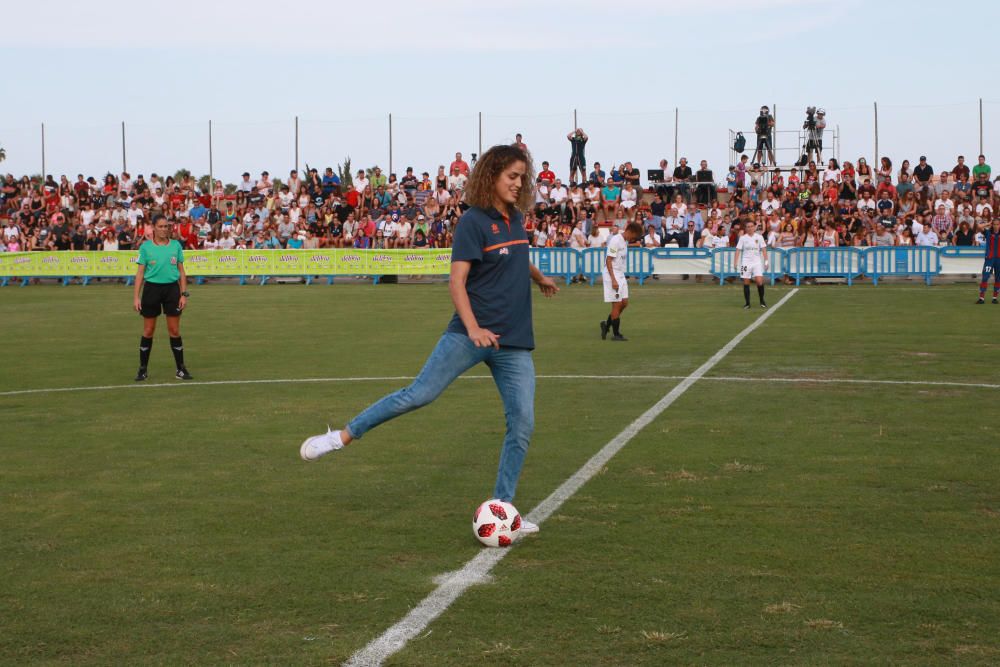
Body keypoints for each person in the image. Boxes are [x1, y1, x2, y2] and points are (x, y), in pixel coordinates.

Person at [299, 145, 559, 531]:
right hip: (470, 333)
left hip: (513, 342)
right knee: (419, 395)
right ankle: (341, 436)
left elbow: (517, 256)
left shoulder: (515, 219)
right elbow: (457, 282)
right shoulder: (472, 221)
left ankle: (502, 510)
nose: (519, 183)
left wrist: (539, 279)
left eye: (522, 177)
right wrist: (472, 329)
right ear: (492, 176)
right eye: (512, 176)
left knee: (522, 423)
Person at [132, 214, 192, 381]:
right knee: (148, 330)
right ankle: (142, 369)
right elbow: (140, 274)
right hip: (151, 290)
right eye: (161, 226)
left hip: (172, 290)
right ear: (153, 227)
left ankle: (181, 369)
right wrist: (136, 297)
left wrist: (183, 294)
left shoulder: (176, 246)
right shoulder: (145, 248)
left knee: (174, 330)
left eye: (166, 226)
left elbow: (181, 272)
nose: (164, 229)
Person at [599, 221, 643, 342]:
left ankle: (606, 325)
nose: (634, 239)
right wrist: (613, 279)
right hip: (611, 274)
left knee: (624, 303)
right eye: (634, 236)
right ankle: (616, 334)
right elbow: (608, 260)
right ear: (630, 231)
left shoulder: (625, 241)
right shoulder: (615, 240)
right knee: (617, 304)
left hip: (620, 274)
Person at [734, 219, 769, 309]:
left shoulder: (759, 237)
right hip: (746, 262)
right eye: (748, 227)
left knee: (759, 281)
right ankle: (747, 303)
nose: (749, 228)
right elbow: (738, 250)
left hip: (756, 261)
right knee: (746, 282)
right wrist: (735, 262)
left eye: (751, 226)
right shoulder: (743, 238)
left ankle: (762, 300)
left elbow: (764, 249)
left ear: (754, 227)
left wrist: (766, 261)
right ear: (745, 228)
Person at [976, 217, 1000, 304]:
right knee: (985, 277)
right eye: (994, 224)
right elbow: (978, 227)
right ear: (992, 225)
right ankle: (981, 298)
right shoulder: (988, 233)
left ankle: (994, 298)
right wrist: (988, 223)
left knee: (998, 278)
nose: (996, 226)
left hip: (999, 259)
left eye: (997, 224)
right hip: (989, 259)